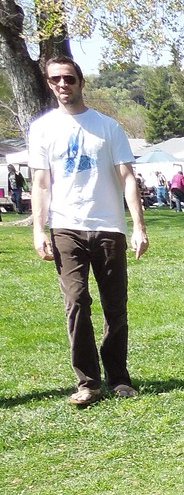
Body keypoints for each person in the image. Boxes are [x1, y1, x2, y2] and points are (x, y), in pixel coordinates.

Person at [29, 55, 148, 408]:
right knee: (76, 301)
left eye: (68, 78)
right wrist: (38, 230)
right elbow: (41, 183)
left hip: (108, 227)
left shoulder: (108, 127)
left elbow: (128, 178)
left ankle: (119, 378)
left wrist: (138, 227)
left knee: (115, 305)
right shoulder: (42, 129)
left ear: (81, 82)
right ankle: (88, 383)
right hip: (66, 227)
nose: (62, 85)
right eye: (55, 79)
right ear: (49, 84)